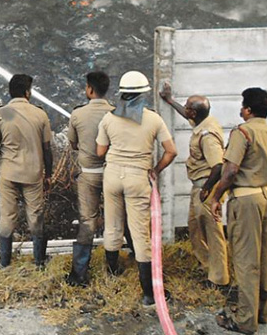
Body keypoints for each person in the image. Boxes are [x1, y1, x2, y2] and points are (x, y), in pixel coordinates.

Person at [96, 70, 177, 306]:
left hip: (112, 175)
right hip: (138, 176)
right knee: (140, 233)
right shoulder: (153, 119)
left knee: (112, 226)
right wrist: (156, 169)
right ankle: (149, 293)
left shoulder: (109, 118)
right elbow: (171, 151)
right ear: (143, 94)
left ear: (121, 93)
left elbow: (100, 152)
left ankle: (112, 274)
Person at [208, 88, 267, 335]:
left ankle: (245, 320)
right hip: (265, 197)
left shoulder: (243, 132)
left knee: (245, 260)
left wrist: (216, 197)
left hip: (246, 198)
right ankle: (261, 312)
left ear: (248, 110)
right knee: (263, 256)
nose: (241, 110)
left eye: (243, 106)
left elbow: (230, 171)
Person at [159, 83, 230, 289]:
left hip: (206, 188)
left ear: (195, 112)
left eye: (188, 106)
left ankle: (219, 279)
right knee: (195, 228)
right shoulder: (203, 121)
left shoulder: (207, 136)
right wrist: (170, 100)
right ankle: (207, 266)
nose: (186, 109)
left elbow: (218, 166)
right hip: (199, 188)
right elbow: (187, 115)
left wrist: (208, 190)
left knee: (213, 233)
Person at [0, 74, 53, 268]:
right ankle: (39, 261)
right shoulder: (39, 114)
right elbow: (47, 149)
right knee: (35, 216)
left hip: (8, 174)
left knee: (7, 217)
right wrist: (48, 175)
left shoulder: (2, 114)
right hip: (33, 174)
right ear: (27, 92)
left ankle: (5, 262)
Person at [65, 71, 114, 286]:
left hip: (89, 174)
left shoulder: (78, 115)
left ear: (90, 89)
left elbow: (73, 144)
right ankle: (117, 268)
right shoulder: (115, 112)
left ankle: (80, 274)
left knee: (87, 221)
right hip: (113, 173)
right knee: (119, 219)